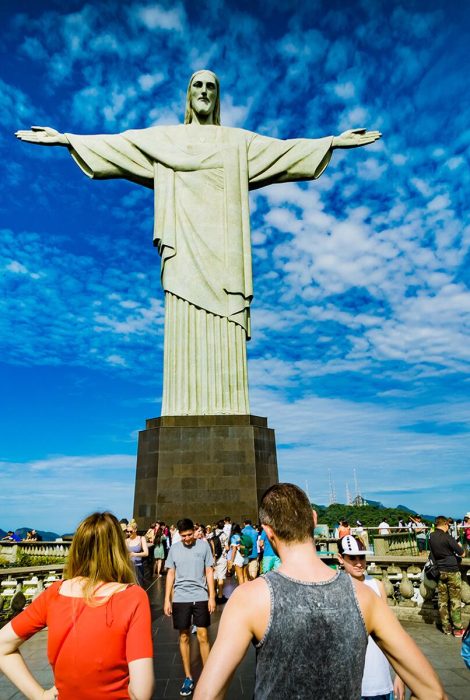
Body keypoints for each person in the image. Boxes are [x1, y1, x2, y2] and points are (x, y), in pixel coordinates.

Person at [15, 71, 381, 417]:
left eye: (211, 87)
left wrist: (332, 142)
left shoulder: (237, 141)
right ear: (188, 96)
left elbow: (283, 153)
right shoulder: (165, 140)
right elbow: (120, 145)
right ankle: (181, 405)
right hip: (184, 250)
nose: (204, 91)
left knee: (226, 331)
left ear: (217, 97)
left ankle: (229, 405)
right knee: (184, 328)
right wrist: (66, 138)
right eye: (197, 86)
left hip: (225, 253)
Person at [193, 483, 446, 700]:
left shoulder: (249, 599)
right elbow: (433, 691)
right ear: (314, 519)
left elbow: (207, 695)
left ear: (268, 532)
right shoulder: (365, 596)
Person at [0, 512, 153, 700]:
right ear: (119, 548)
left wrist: (39, 695)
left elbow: (2, 645)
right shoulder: (134, 597)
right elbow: (141, 692)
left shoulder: (54, 593)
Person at [337, 535, 405, 700]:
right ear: (340, 558)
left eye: (362, 557)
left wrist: (400, 675)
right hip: (346, 679)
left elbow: (392, 632)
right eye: (352, 558)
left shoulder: (377, 585)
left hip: (379, 677)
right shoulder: (334, 587)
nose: (359, 562)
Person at [164, 518, 215, 697]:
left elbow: (209, 570)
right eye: (184, 536)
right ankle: (188, 677)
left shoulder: (204, 546)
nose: (187, 538)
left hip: (200, 596)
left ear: (194, 531)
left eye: (189, 535)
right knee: (184, 636)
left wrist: (212, 596)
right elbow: (170, 573)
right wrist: (166, 600)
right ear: (179, 534)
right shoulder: (174, 549)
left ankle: (208, 676)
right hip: (180, 598)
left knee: (203, 635)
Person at [429, 515, 465, 637]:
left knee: (442, 601)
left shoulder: (432, 537)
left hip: (440, 571)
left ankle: (446, 628)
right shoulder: (447, 537)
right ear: (445, 524)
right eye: (448, 524)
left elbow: (432, 554)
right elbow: (463, 553)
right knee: (455, 600)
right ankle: (458, 629)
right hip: (452, 571)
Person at [125, 519, 149, 587]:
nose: (129, 533)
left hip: (138, 567)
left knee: (139, 586)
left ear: (135, 530)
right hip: (129, 567)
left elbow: (146, 553)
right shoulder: (126, 541)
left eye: (130, 531)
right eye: (127, 531)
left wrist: (134, 554)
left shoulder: (141, 538)